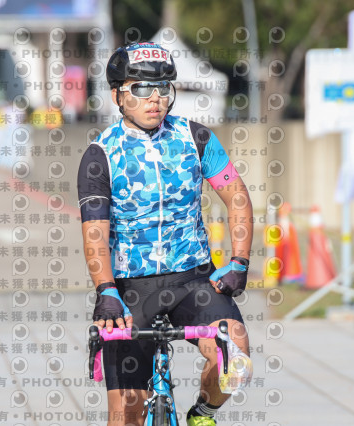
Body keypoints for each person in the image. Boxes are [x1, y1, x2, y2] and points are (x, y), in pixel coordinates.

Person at [78, 41, 253, 426]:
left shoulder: (196, 138)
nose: (155, 98)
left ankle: (202, 413)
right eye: (141, 88)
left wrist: (239, 261)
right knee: (126, 413)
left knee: (236, 355)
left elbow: (237, 196)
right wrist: (105, 290)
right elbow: (95, 233)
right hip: (131, 289)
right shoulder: (100, 155)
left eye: (162, 88)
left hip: (193, 280)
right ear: (117, 95)